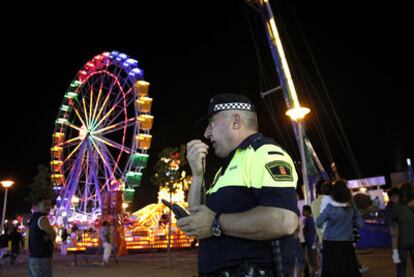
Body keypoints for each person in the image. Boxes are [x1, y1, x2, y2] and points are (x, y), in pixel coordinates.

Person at [177, 93, 299, 276]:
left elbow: (284, 220)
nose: (206, 133)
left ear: (236, 121)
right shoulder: (224, 169)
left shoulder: (264, 153)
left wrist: (216, 223)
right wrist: (197, 174)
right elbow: (199, 220)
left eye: (212, 123)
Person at [316, 180, 363, 277]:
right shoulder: (352, 207)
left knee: (332, 271)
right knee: (348, 270)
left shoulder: (330, 208)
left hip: (330, 243)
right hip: (346, 242)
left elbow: (318, 222)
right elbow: (360, 224)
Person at [28, 198, 56, 277]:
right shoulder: (42, 218)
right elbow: (53, 235)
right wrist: (50, 235)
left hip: (34, 256)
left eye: (50, 205)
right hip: (42, 257)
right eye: (45, 205)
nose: (48, 207)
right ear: (38, 206)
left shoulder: (33, 218)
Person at [392, 182, 414, 277]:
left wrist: (394, 250)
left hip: (401, 242)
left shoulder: (396, 208)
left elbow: (394, 231)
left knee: (401, 269)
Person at [302, 205, 318, 276]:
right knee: (311, 258)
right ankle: (314, 272)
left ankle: (316, 272)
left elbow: (313, 232)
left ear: (308, 211)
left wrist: (314, 243)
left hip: (311, 242)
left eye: (304, 210)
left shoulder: (310, 220)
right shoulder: (307, 219)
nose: (302, 212)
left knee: (313, 258)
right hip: (309, 242)